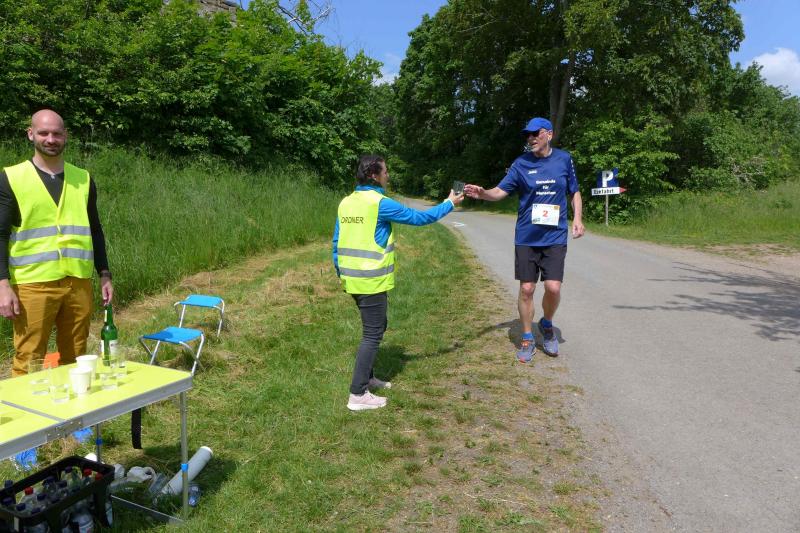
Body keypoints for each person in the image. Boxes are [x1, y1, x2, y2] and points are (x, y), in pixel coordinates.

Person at [333, 155, 464, 411]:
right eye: (385, 171)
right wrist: (449, 203)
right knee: (372, 334)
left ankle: (368, 377)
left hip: (352, 278)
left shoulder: (346, 202)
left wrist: (341, 271)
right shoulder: (380, 203)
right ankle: (357, 394)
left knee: (378, 325)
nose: (388, 175)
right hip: (371, 280)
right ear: (374, 175)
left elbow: (336, 241)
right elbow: (419, 218)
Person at [0, 109, 113, 376]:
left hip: (78, 283)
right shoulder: (11, 178)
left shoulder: (83, 178)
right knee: (29, 359)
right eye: (43, 133)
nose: (50, 139)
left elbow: (95, 230)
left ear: (66, 136)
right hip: (33, 284)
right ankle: (25, 405)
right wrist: (2, 284)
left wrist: (104, 274)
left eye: (56, 133)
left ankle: (74, 404)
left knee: (77, 357)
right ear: (31, 134)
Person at [465, 117, 583, 362]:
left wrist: (578, 219)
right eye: (527, 135)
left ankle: (546, 324)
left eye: (535, 133)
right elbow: (500, 191)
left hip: (555, 235)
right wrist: (483, 193)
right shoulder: (521, 164)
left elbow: (574, 191)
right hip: (527, 236)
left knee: (553, 287)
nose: (531, 138)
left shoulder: (564, 159)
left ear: (549, 134)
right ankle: (528, 337)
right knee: (527, 288)